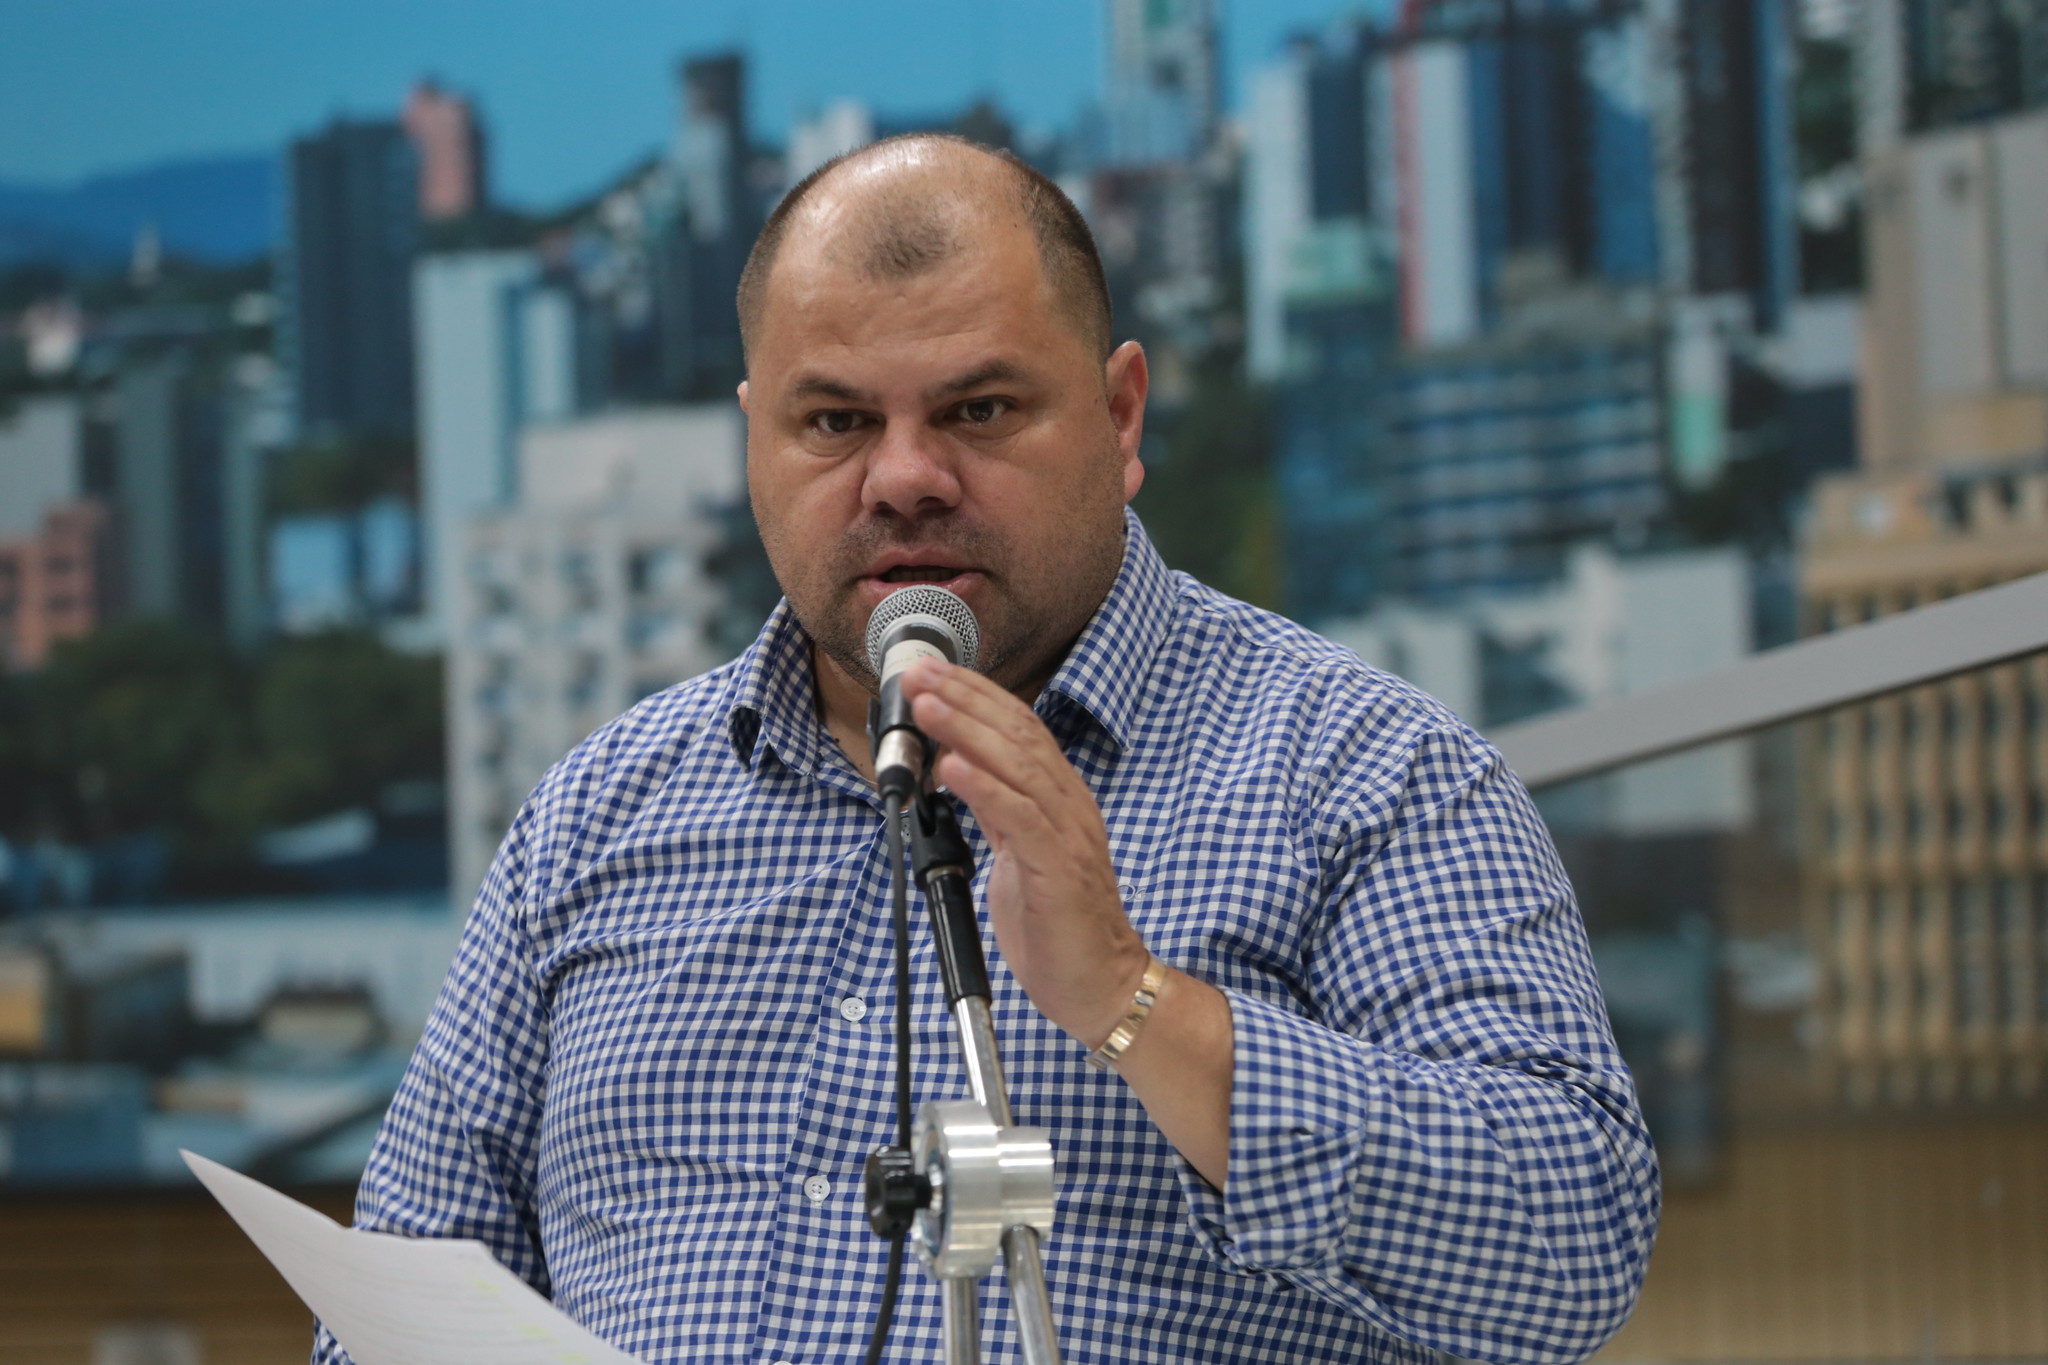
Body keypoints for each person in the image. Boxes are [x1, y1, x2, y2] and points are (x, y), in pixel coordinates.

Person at [314, 135, 1659, 1365]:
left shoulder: (1364, 770)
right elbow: (388, 1306)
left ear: (1123, 416)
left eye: (979, 411)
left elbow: (1569, 1246)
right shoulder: (598, 816)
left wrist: (1135, 1000)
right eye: (834, 421)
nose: (904, 477)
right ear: (754, 441)